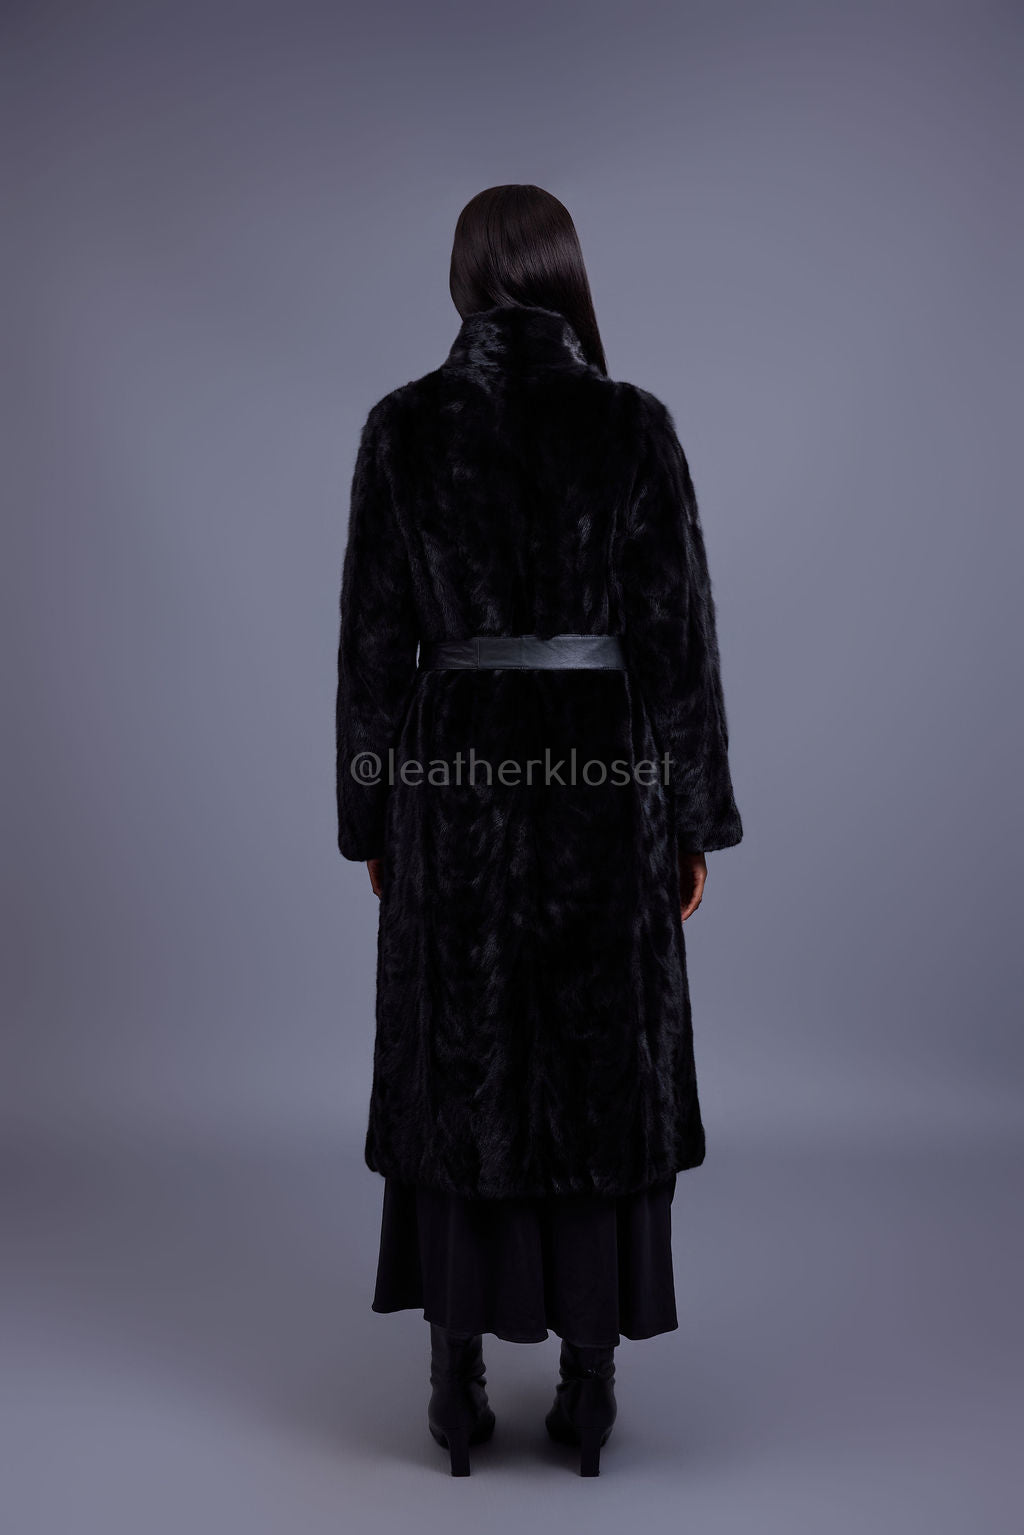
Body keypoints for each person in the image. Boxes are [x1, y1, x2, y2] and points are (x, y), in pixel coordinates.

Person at [335, 183, 743, 1477]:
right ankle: (590, 1382)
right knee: (596, 1067)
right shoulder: (633, 426)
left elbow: (372, 647)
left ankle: (453, 1381)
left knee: (458, 1065)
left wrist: (371, 816)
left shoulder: (402, 429)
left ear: (464, 279)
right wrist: (692, 819)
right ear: (566, 276)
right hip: (601, 786)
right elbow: (678, 642)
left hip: (448, 782)